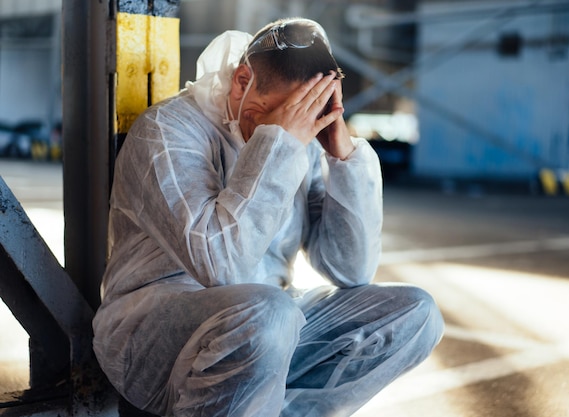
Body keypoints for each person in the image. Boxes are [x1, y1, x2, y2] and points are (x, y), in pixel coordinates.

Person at [93, 17, 444, 417]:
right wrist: (279, 143)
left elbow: (350, 270)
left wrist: (343, 159)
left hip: (272, 323)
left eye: (306, 115)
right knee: (268, 313)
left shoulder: (304, 141)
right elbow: (220, 265)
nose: (292, 128)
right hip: (154, 332)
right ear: (242, 80)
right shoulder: (168, 130)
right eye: (281, 115)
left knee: (416, 312)